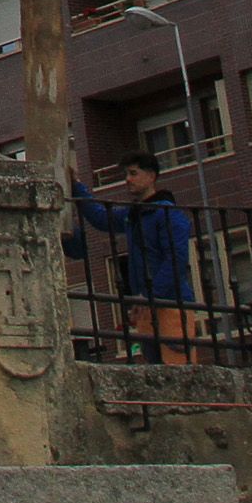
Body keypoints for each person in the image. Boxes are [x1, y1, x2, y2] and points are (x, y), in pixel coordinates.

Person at [70, 151, 199, 363]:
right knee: (159, 369)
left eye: (133, 173)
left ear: (151, 176)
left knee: (176, 367)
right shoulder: (135, 214)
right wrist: (76, 186)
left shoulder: (166, 214)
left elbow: (176, 260)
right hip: (147, 304)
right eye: (126, 174)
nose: (128, 179)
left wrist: (148, 295)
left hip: (169, 304)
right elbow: (102, 219)